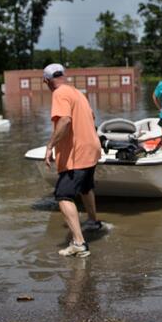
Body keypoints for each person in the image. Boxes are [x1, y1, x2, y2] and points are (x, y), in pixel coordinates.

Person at [43, 63, 102, 258]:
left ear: (47, 81)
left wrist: (50, 145)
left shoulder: (59, 93)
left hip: (76, 154)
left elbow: (65, 120)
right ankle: (93, 222)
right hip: (91, 149)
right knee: (85, 187)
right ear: (63, 75)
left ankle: (79, 243)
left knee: (63, 195)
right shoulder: (77, 92)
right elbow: (92, 117)